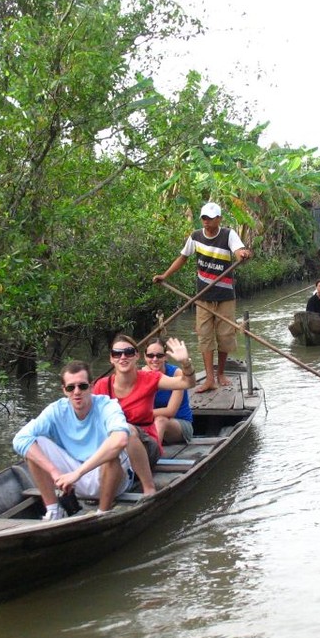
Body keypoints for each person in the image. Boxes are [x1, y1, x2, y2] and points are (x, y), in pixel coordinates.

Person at [153, 201, 253, 392]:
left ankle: (221, 373)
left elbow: (239, 251)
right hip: (203, 296)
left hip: (225, 295)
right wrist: (165, 275)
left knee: (225, 336)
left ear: (219, 219)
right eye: (204, 218)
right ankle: (209, 379)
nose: (206, 222)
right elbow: (183, 257)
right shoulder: (196, 237)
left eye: (210, 218)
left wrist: (244, 254)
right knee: (205, 336)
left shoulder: (228, 235)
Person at [12, 361, 132, 520]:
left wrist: (77, 473)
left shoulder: (107, 406)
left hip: (110, 478)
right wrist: (55, 473)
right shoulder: (56, 410)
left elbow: (120, 440)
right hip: (71, 479)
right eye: (70, 387)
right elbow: (19, 439)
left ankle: (103, 512)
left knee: (111, 452)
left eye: (82, 386)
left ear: (91, 386)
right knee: (34, 443)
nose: (77, 392)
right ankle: (53, 510)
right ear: (64, 390)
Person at [92, 335, 196, 494]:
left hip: (146, 445)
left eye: (128, 352)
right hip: (114, 447)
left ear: (136, 356)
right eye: (117, 353)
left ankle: (148, 488)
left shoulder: (150, 378)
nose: (123, 357)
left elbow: (187, 383)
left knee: (126, 429)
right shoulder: (102, 386)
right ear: (111, 359)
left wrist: (185, 362)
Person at [143, 338, 194, 445]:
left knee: (161, 420)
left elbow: (170, 411)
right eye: (150, 356)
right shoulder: (140, 375)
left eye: (159, 356)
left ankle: (151, 456)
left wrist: (139, 414)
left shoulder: (176, 374)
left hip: (178, 423)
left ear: (165, 357)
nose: (155, 359)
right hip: (149, 422)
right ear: (145, 357)